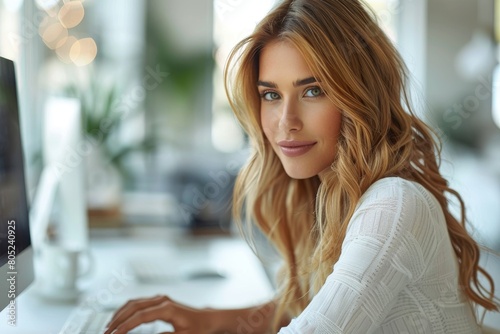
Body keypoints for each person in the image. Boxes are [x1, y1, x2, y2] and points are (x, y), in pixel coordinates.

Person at [105, 0, 499, 333]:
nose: (285, 121)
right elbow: (307, 309)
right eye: (271, 95)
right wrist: (202, 319)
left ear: (358, 94)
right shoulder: (330, 191)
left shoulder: (392, 204)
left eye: (313, 91)